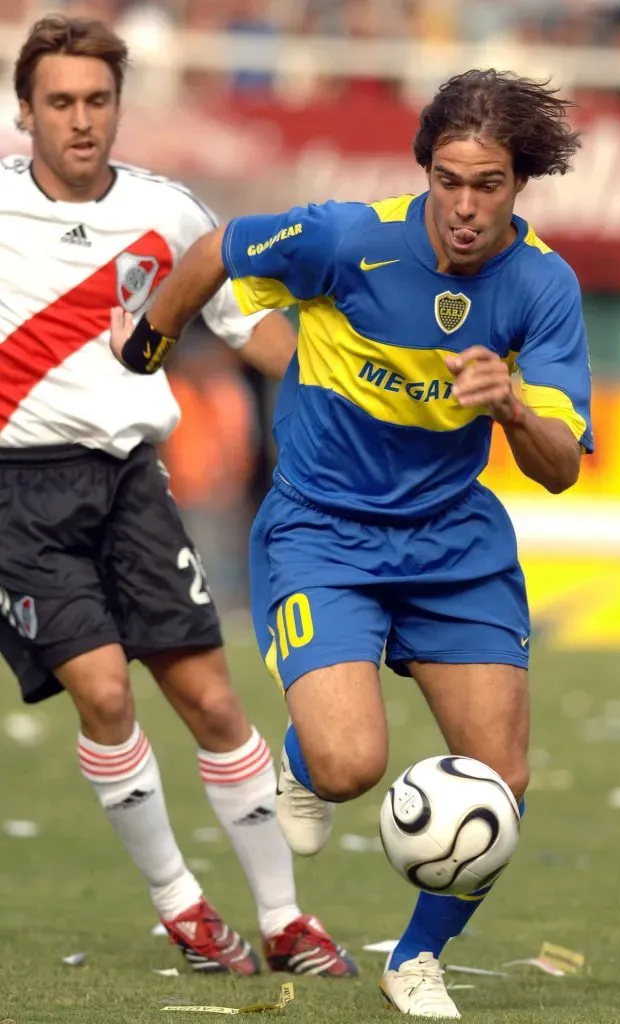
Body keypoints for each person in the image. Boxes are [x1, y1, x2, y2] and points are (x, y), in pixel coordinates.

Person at [110, 69, 593, 1017]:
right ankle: (304, 757)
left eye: (487, 184)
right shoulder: (345, 238)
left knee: (505, 779)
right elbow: (216, 249)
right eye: (448, 179)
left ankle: (416, 959)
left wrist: (509, 408)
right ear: (423, 170)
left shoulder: (545, 286)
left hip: (456, 544)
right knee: (346, 769)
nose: (464, 205)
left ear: (519, 185)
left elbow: (561, 467)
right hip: (322, 532)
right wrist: (147, 345)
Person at [0, 14, 357, 979]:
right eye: (61, 103)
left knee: (208, 699)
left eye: (97, 101)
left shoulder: (174, 215)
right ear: (25, 112)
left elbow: (257, 336)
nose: (81, 120)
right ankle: (184, 910)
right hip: (13, 498)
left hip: (127, 484)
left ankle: (285, 919)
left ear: (119, 107)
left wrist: (365, 385)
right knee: (105, 690)